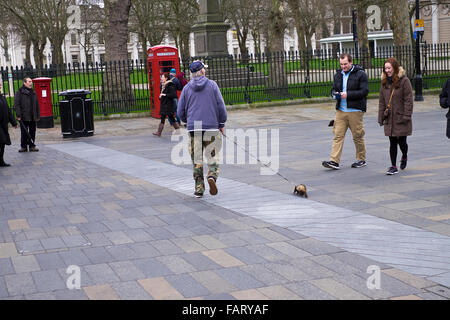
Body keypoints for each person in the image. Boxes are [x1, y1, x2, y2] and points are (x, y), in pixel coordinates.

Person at [178, 60, 227, 198]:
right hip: (211, 127)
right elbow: (221, 107)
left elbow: (180, 111)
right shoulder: (212, 85)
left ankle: (199, 189)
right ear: (203, 71)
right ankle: (212, 175)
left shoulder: (187, 88)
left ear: (191, 74)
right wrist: (221, 123)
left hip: (194, 128)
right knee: (213, 156)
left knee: (197, 160)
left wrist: (188, 122)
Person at [322, 53, 369, 170]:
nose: (343, 66)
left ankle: (361, 159)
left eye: (345, 64)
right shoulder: (338, 74)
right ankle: (334, 161)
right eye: (341, 64)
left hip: (355, 110)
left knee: (357, 136)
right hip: (341, 111)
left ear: (351, 62)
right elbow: (334, 88)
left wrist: (348, 95)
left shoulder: (361, 74)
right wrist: (334, 94)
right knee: (337, 135)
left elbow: (364, 91)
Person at [378, 57, 414, 175]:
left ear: (395, 68)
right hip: (389, 118)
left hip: (401, 117)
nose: (387, 70)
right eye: (385, 68)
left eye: (389, 68)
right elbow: (382, 102)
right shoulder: (384, 83)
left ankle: (404, 155)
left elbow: (408, 100)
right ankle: (393, 166)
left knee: (402, 142)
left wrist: (406, 115)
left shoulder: (404, 81)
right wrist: (380, 117)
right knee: (392, 141)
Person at [14, 77, 40, 152]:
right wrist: (18, 115)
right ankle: (23, 147)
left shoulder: (33, 92)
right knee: (24, 132)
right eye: (29, 81)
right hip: (23, 116)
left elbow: (37, 104)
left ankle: (32, 146)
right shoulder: (19, 92)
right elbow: (16, 104)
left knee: (32, 131)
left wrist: (37, 115)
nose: (31, 83)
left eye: (31, 81)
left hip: (32, 116)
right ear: (24, 83)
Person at [0, 82, 18, 167]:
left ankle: (1, 161)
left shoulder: (2, 97)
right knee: (2, 140)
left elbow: (8, 111)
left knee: (3, 143)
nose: (0, 85)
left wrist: (13, 122)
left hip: (4, 124)